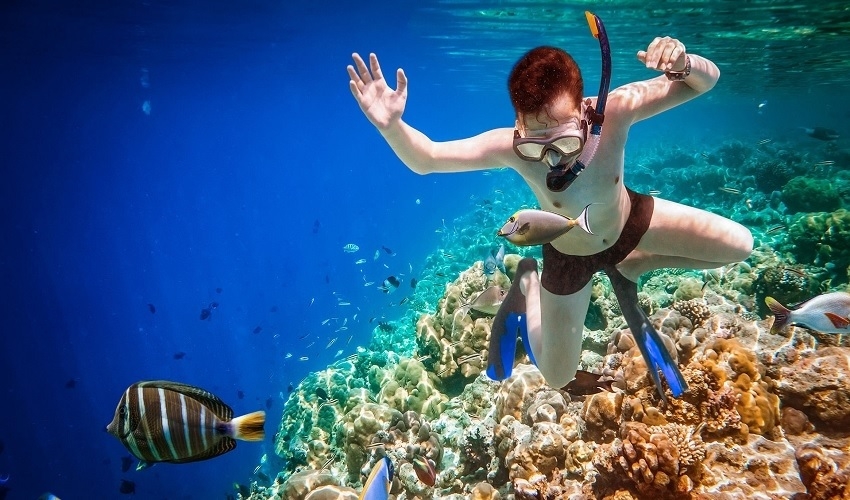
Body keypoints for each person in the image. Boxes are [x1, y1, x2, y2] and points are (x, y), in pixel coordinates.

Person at [347, 14, 753, 399]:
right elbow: (427, 159)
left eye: (564, 144)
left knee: (739, 245)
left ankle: (637, 260)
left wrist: (684, 64)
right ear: (518, 125)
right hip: (567, 253)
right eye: (534, 146)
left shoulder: (615, 111)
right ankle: (527, 282)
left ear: (584, 112)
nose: (552, 161)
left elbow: (705, 82)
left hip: (632, 223)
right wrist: (392, 126)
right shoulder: (507, 146)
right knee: (558, 377)